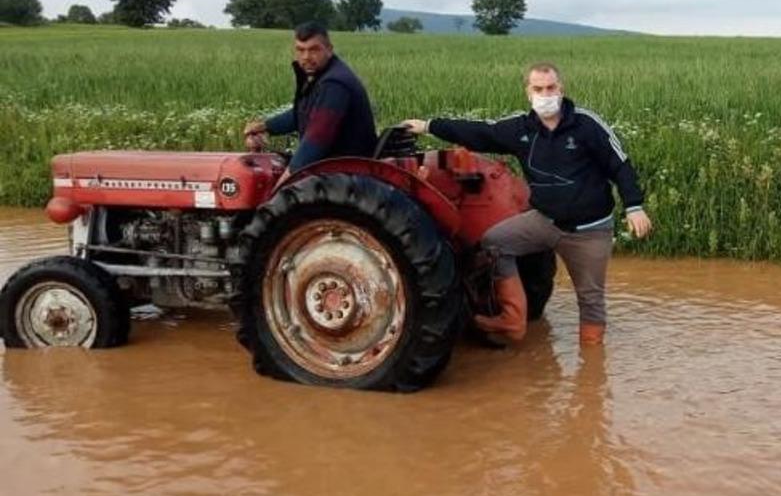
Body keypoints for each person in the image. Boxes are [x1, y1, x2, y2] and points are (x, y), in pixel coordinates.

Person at [402, 63, 653, 346]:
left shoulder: (587, 124)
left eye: (550, 88)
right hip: (544, 221)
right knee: (495, 242)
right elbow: (480, 132)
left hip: (589, 230)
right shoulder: (520, 128)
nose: (545, 94)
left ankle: (591, 368)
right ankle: (512, 319)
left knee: (590, 298)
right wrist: (427, 126)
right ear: (528, 93)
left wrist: (634, 206)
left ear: (561, 89)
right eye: (538, 89)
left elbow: (620, 165)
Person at [242, 21, 378, 183]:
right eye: (300, 50)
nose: (306, 57)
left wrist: (282, 185)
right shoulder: (323, 77)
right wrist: (265, 126)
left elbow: (316, 140)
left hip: (343, 173)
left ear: (329, 49)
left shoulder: (334, 85)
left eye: (314, 50)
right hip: (335, 166)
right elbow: (302, 113)